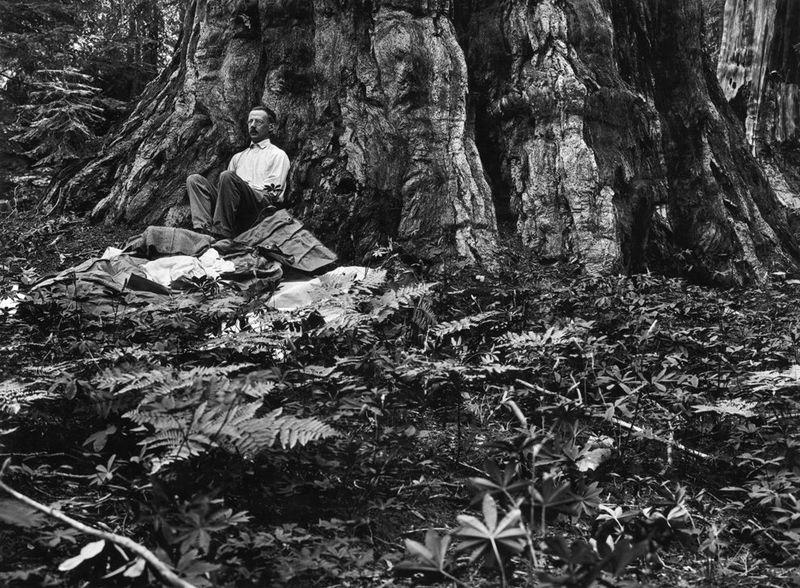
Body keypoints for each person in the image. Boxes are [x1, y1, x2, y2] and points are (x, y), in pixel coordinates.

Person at [186, 105, 290, 239]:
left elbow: (273, 194)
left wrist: (243, 187)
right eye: (250, 121)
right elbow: (226, 191)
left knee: (228, 176)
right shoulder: (238, 157)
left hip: (260, 209)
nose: (252, 126)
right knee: (195, 180)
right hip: (235, 208)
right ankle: (203, 231)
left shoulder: (278, 155)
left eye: (258, 122)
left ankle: (221, 233)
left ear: (270, 127)